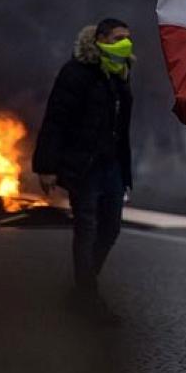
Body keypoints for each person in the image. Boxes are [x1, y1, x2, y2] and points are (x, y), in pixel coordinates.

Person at [33, 18, 134, 324]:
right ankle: (88, 298)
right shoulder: (76, 73)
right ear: (100, 39)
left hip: (112, 165)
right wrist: (47, 167)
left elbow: (121, 128)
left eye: (128, 38)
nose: (126, 44)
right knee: (87, 229)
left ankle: (82, 288)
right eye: (118, 38)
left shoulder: (121, 74)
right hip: (84, 166)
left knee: (111, 228)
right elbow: (56, 120)